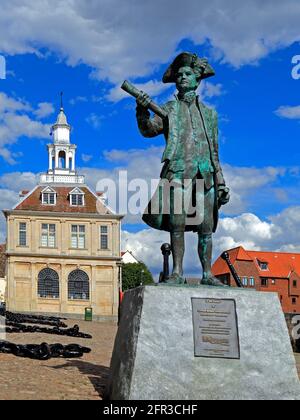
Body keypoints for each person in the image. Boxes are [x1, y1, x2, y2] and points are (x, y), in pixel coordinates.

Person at [136, 52, 230, 286]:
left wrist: (221, 182)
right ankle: (177, 272)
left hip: (205, 174)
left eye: (187, 74)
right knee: (177, 224)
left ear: (198, 79)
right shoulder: (168, 109)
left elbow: (214, 151)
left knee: (206, 228)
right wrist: (142, 110)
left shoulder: (210, 114)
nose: (182, 78)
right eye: (179, 75)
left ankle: (207, 274)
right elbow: (148, 130)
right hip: (177, 172)